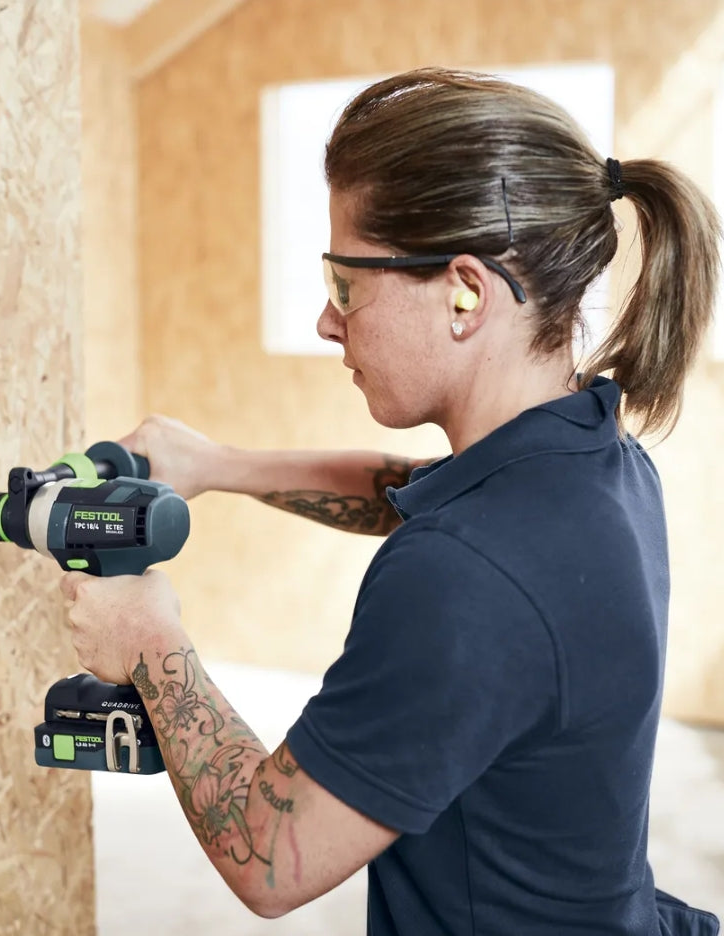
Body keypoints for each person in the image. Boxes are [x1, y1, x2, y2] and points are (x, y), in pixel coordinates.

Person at [59, 68, 722, 935]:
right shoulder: (595, 457)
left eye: (346, 284)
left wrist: (147, 638)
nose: (328, 322)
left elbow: (269, 855)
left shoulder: (465, 580)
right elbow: (411, 491)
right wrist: (217, 466)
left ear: (464, 294)